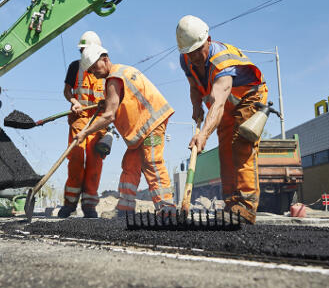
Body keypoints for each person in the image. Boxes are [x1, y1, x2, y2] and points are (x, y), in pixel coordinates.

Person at [176, 15, 268, 224]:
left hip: (248, 97)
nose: (195, 57)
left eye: (198, 51)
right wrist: (196, 107)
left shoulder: (222, 61)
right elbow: (193, 86)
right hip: (226, 105)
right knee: (225, 150)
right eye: (189, 53)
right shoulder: (186, 59)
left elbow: (217, 103)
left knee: (241, 145)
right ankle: (231, 203)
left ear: (208, 40)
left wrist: (203, 135)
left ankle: (246, 206)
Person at [75, 44, 177, 217]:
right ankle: (125, 208)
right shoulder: (120, 73)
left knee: (152, 161)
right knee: (130, 164)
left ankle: (167, 209)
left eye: (95, 67)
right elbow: (118, 101)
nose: (94, 72)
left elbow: (109, 117)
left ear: (105, 59)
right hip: (141, 130)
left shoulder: (114, 77)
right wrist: (106, 102)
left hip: (151, 124)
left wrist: (85, 132)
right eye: (90, 70)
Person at [59, 31, 107, 218]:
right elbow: (67, 90)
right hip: (79, 118)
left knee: (95, 162)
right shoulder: (75, 67)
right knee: (76, 160)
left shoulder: (104, 68)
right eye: (82, 51)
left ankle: (89, 205)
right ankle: (70, 204)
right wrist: (73, 102)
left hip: (98, 120)